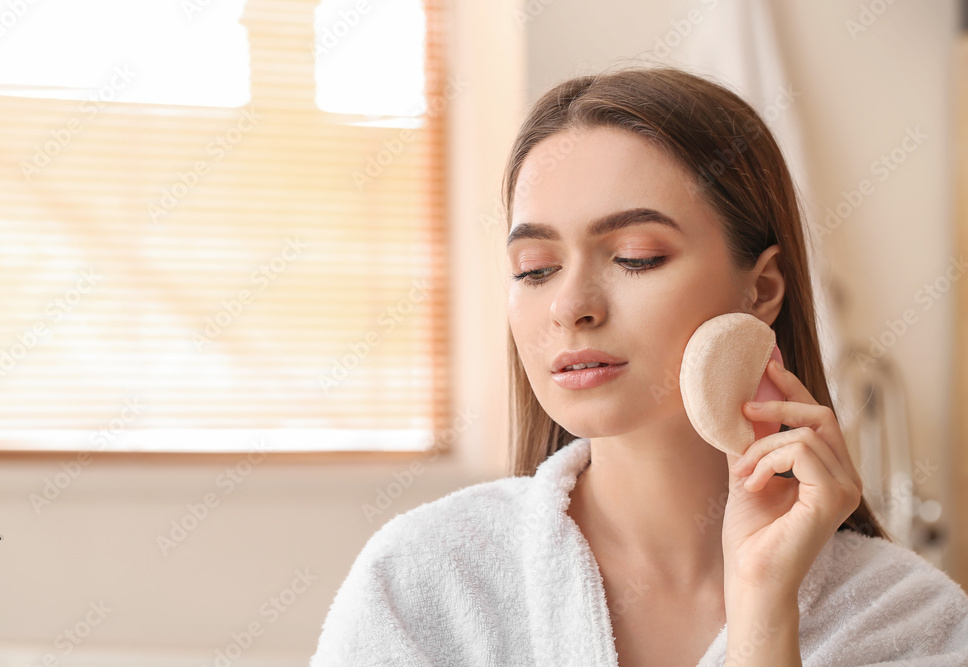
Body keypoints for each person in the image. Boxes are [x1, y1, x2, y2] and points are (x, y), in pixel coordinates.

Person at [310, 65, 968, 666]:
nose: (570, 306)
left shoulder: (907, 618)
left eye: (635, 256)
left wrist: (766, 613)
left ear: (762, 288)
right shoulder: (424, 581)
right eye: (534, 269)